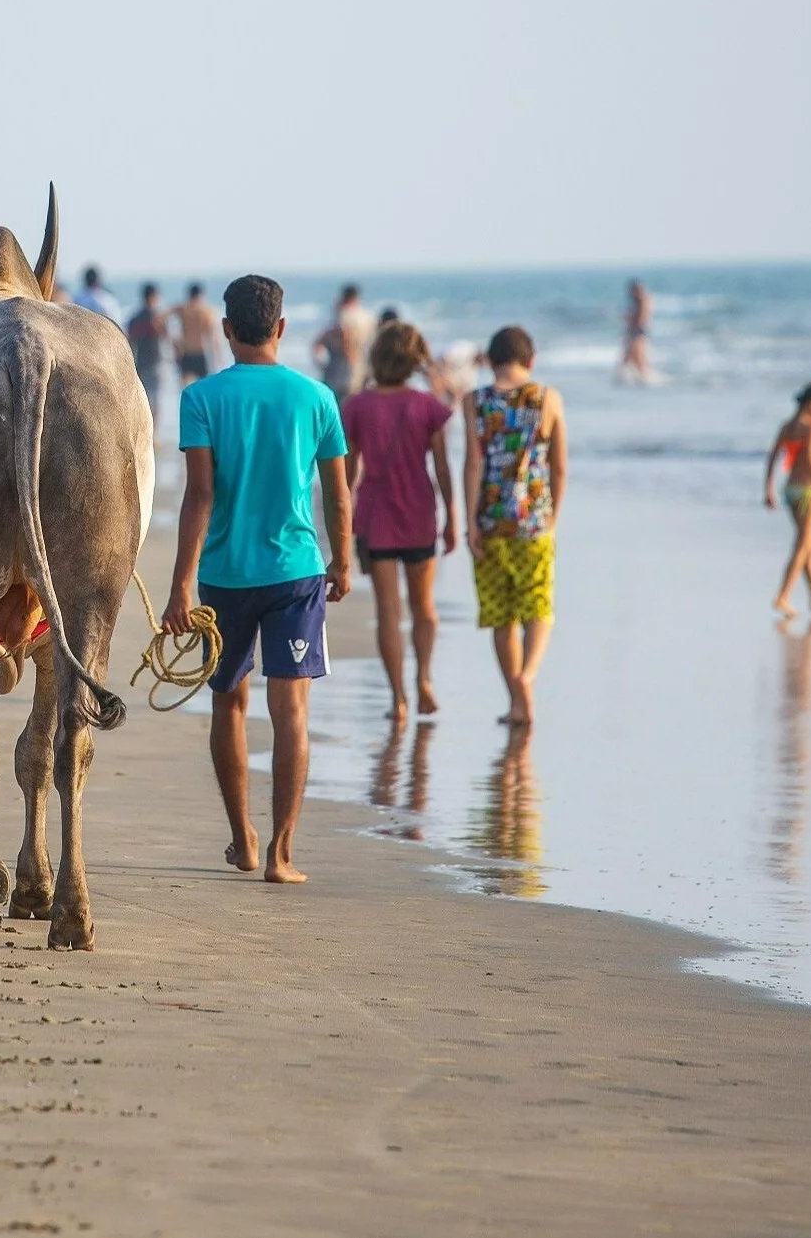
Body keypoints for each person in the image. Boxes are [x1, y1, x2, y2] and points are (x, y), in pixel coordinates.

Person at [163, 275, 350, 885]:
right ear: (281, 328)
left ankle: (242, 837)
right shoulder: (317, 397)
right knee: (290, 708)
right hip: (296, 572)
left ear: (225, 329)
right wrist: (343, 560)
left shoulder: (201, 398)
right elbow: (337, 496)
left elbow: (199, 494)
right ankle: (280, 852)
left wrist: (179, 587)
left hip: (223, 575)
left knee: (229, 701)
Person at [343, 322, 457, 723]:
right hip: (420, 514)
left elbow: (348, 470)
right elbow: (442, 466)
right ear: (414, 360)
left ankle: (398, 698)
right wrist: (452, 517)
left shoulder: (358, 405)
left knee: (388, 610)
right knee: (424, 607)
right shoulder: (427, 405)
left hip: (376, 518)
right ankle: (424, 678)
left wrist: (343, 526)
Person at [463, 326, 568, 729]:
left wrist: (470, 520)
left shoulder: (476, 401)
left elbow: (473, 464)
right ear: (531, 360)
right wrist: (552, 517)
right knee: (538, 605)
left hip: (490, 521)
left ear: (490, 360)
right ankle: (528, 676)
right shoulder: (548, 398)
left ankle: (515, 701)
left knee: (501, 613)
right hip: (534, 522)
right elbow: (559, 466)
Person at [764, 382, 811, 619]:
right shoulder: (810, 430)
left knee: (809, 543)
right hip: (808, 491)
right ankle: (783, 595)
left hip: (790, 489)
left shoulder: (787, 426)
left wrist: (768, 487)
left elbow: (774, 457)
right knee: (803, 544)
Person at [311, 283, 376, 401]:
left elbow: (339, 337)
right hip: (361, 367)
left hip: (340, 369)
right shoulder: (367, 316)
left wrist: (322, 365)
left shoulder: (341, 315)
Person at [125, 284, 167, 418]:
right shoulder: (157, 318)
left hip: (140, 363)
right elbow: (165, 336)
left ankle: (150, 433)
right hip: (155, 362)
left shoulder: (135, 318)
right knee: (155, 401)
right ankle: (154, 434)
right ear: (153, 297)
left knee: (144, 401)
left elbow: (129, 341)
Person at [170, 282, 219, 385]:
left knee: (186, 389)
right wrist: (217, 357)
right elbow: (212, 337)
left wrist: (174, 343)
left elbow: (161, 320)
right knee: (204, 389)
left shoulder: (183, 309)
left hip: (186, 354)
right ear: (201, 295)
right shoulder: (206, 312)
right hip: (200, 353)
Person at [619, 279, 655, 384]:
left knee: (636, 359)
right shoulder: (642, 300)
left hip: (638, 332)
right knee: (631, 358)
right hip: (637, 331)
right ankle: (638, 377)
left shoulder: (644, 300)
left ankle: (644, 378)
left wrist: (632, 325)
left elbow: (641, 319)